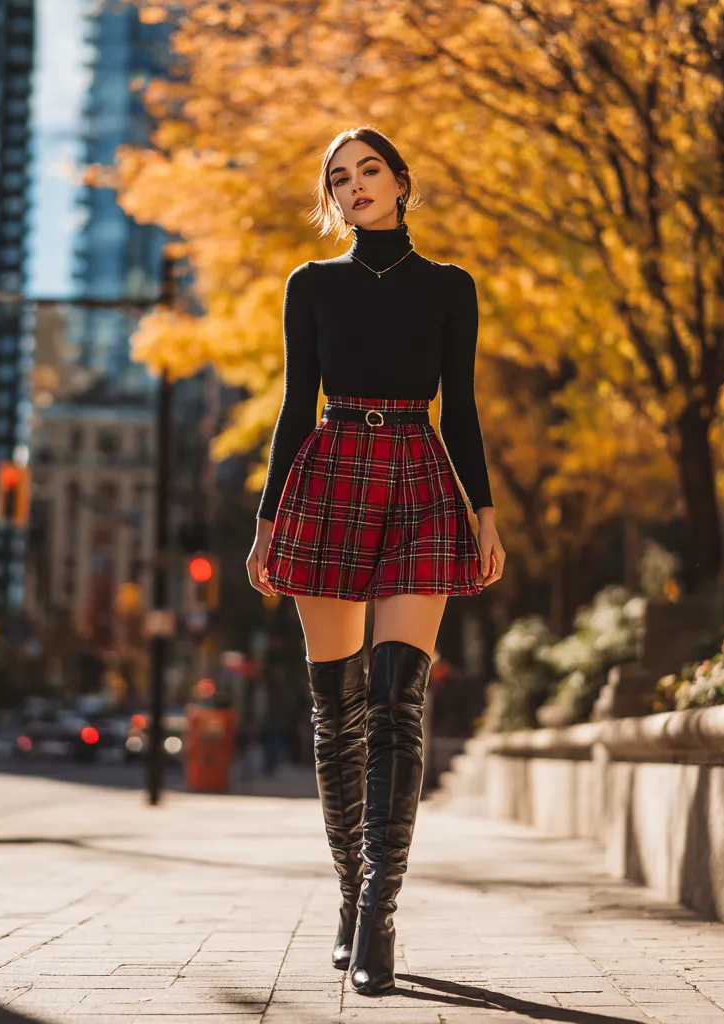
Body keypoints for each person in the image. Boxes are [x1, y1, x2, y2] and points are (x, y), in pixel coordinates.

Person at [245, 126, 505, 997]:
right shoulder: (309, 286)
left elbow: (461, 407)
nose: (354, 186)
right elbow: (292, 406)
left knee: (397, 702)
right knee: (336, 715)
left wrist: (485, 512)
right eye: (338, 178)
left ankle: (380, 915)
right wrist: (266, 520)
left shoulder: (450, 288)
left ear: (400, 181)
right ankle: (349, 899)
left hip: (423, 479)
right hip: (329, 477)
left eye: (368, 171)